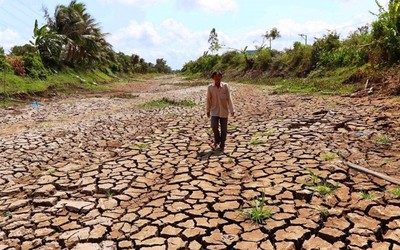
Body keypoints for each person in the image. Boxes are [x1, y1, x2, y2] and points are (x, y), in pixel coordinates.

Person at [206, 70, 235, 151]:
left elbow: (229, 98)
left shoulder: (225, 86)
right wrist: (208, 110)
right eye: (215, 77)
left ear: (221, 77)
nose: (217, 79)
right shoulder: (210, 87)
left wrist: (232, 110)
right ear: (213, 78)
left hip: (224, 110)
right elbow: (208, 99)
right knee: (214, 126)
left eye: (219, 77)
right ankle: (217, 139)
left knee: (224, 129)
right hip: (214, 110)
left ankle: (222, 143)